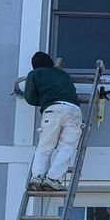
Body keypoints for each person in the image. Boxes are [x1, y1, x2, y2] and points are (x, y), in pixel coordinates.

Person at [19, 52, 82, 192]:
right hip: (73, 110)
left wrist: (42, 100)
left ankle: (37, 178)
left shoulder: (34, 74)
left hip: (52, 110)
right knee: (67, 146)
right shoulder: (63, 74)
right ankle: (53, 179)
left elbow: (30, 98)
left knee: (45, 146)